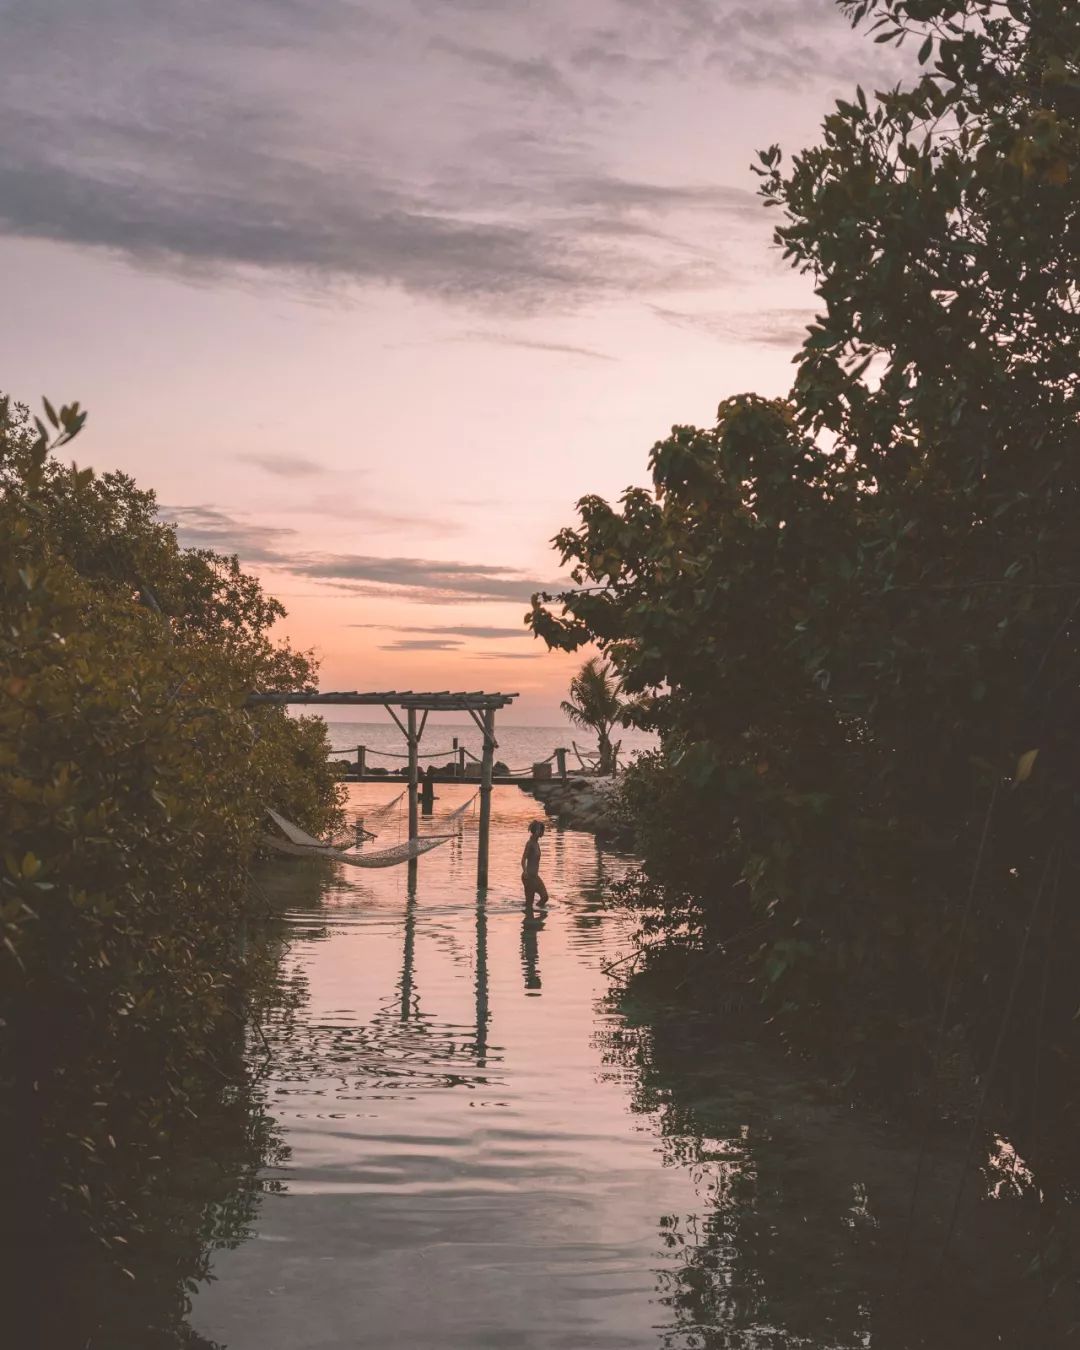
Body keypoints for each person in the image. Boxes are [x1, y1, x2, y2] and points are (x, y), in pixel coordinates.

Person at [521, 820, 549, 911]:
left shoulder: (536, 843)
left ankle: (538, 914)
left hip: (535, 877)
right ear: (536, 831)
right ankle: (529, 920)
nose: (542, 832)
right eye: (541, 830)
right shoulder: (530, 844)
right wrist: (525, 871)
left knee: (545, 897)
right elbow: (523, 859)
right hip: (529, 877)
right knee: (529, 905)